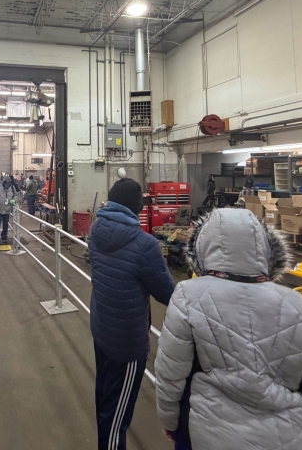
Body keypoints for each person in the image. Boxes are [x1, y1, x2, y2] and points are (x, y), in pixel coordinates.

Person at [154, 209, 302, 450]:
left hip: (211, 431)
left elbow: (171, 373)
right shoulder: (301, 306)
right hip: (291, 436)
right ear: (266, 248)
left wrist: (170, 422)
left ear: (202, 248)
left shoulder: (188, 296)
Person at [88, 178, 175, 450]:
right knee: (117, 416)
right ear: (137, 208)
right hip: (126, 343)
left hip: (101, 328)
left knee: (106, 398)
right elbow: (167, 294)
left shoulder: (95, 229)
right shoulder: (144, 244)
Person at [0, 177, 15, 244]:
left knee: (5, 225)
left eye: (8, 184)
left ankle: (4, 237)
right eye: (6, 184)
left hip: (7, 209)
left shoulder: (12, 188)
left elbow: (15, 195)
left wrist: (14, 200)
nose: (7, 185)